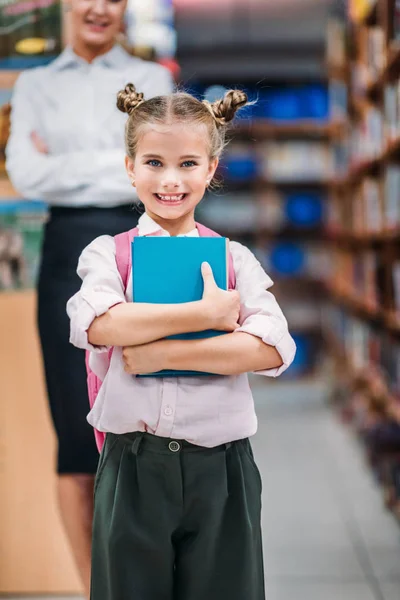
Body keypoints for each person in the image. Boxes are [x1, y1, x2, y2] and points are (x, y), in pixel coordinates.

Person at [67, 84, 296, 600]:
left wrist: (160, 354)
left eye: (189, 163)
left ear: (211, 169)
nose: (170, 180)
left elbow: (274, 349)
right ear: (130, 167)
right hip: (133, 468)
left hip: (223, 470)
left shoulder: (234, 258)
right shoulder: (108, 254)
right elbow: (98, 325)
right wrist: (206, 314)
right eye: (153, 162)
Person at [5, 1, 173, 596]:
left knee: (150, 432)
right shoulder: (37, 84)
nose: (100, 6)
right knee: (78, 440)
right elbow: (26, 174)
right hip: (65, 255)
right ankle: (93, 589)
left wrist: (71, 164)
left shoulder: (154, 82)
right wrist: (124, 164)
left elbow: (158, 177)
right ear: (65, 5)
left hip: (144, 252)